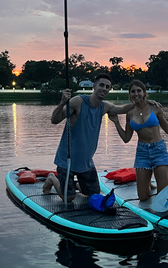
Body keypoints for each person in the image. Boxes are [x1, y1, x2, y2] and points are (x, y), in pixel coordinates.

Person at [43, 73, 155, 202]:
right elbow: (54, 120)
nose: (104, 88)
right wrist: (62, 103)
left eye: (107, 87)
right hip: (66, 160)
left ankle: (73, 186)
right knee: (69, 197)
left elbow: (123, 108)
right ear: (94, 86)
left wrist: (143, 102)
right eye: (101, 85)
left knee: (93, 195)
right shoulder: (78, 101)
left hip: (86, 162)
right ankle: (52, 178)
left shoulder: (104, 106)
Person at [108, 79, 168, 201]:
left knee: (162, 195)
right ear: (130, 94)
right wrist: (116, 122)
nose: (136, 94)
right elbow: (126, 138)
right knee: (143, 197)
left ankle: (151, 181)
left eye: (139, 91)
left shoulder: (155, 108)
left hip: (159, 150)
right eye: (133, 91)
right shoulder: (129, 113)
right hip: (142, 153)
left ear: (144, 92)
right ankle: (148, 182)